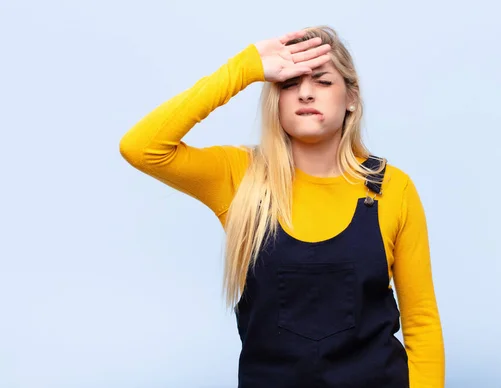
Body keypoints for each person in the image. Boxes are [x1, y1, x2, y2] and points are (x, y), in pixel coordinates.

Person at [120, 25, 445, 388]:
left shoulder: (391, 188)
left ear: (351, 97)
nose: (306, 93)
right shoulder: (241, 176)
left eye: (323, 82)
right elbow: (141, 147)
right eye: (289, 84)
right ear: (275, 99)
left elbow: (421, 321)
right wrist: (246, 68)